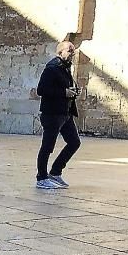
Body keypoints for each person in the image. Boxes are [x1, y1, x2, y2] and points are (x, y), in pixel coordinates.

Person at [36, 40, 81, 189]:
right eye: (70, 51)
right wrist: (64, 92)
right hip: (52, 114)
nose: (72, 54)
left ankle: (55, 172)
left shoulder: (66, 68)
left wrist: (73, 91)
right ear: (60, 52)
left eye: (73, 51)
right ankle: (41, 178)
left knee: (74, 142)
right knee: (47, 147)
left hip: (65, 113)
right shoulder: (52, 68)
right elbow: (41, 90)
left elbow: (65, 87)